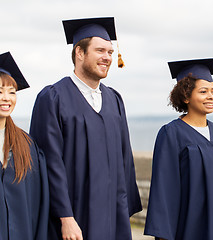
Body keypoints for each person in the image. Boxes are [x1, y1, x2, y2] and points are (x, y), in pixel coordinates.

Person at [30, 17, 142, 240]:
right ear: (79, 53)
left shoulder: (115, 100)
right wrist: (65, 217)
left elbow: (124, 160)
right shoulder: (53, 98)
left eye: (110, 52)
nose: (107, 57)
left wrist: (124, 211)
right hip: (73, 220)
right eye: (100, 50)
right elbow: (49, 162)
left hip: (113, 217)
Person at [144, 58, 213, 240]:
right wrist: (163, 235)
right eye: (203, 91)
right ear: (185, 96)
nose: (211, 97)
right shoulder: (171, 133)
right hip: (191, 227)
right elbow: (164, 188)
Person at [0, 51, 49, 240]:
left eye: (11, 92)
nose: (6, 98)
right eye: (0, 91)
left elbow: (38, 203)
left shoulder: (26, 145)